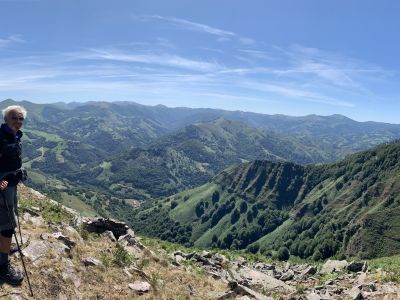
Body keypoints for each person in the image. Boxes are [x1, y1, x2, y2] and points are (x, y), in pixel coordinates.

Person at [0, 105, 27, 285]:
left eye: (20, 119)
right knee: (7, 224)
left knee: (7, 219)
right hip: (3, 186)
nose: (18, 122)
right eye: (14, 118)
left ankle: (4, 248)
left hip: (11, 184)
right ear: (6, 120)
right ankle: (2, 267)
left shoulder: (14, 135)